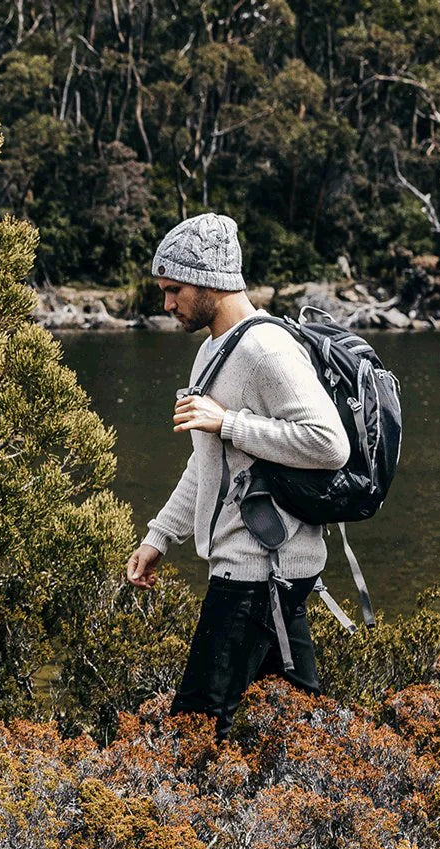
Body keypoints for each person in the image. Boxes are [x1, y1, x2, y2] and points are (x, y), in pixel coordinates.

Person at [124, 212, 350, 740]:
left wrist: (230, 422)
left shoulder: (265, 349)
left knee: (196, 728)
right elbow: (205, 460)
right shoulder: (211, 351)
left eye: (174, 289)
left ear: (209, 281)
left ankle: (172, 822)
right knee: (298, 728)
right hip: (266, 569)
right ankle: (338, 809)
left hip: (258, 573)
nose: (167, 304)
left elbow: (329, 443)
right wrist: (159, 536)